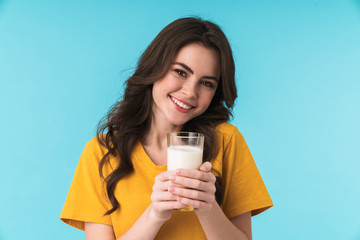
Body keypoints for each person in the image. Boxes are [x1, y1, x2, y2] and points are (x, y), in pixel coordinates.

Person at [60, 17, 273, 240]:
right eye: (181, 72)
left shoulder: (226, 141)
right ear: (155, 67)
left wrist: (208, 208)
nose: (190, 92)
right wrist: (155, 215)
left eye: (206, 83)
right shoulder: (101, 152)